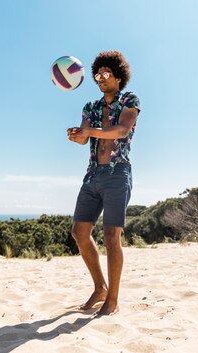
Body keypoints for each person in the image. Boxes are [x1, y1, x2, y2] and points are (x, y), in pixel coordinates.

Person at [67, 50, 140, 316]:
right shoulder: (90, 107)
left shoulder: (129, 100)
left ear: (118, 77)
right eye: (97, 74)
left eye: (106, 73)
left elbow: (122, 130)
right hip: (92, 175)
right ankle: (99, 288)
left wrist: (88, 131)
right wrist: (77, 135)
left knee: (112, 237)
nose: (100, 78)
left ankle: (113, 299)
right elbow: (84, 138)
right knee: (79, 232)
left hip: (118, 173)